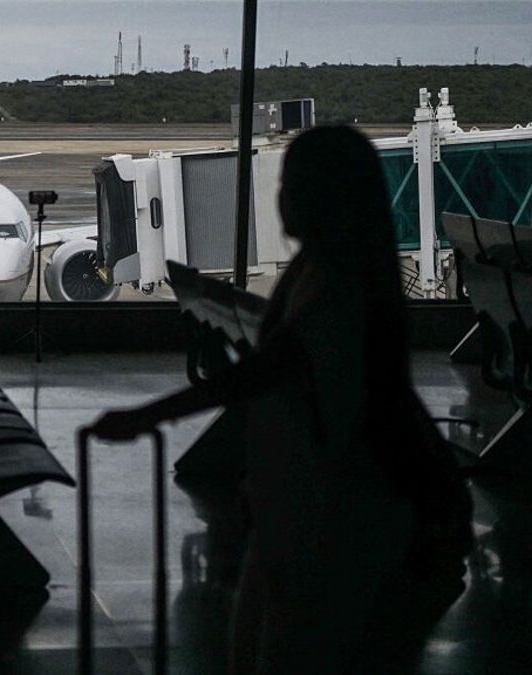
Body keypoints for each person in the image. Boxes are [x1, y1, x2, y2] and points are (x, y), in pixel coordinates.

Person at [86, 126, 472, 674]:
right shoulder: (335, 272)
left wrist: (149, 414)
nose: (281, 197)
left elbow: (275, 369)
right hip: (345, 508)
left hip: (351, 518)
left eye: (293, 185)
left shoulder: (336, 282)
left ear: (323, 197)